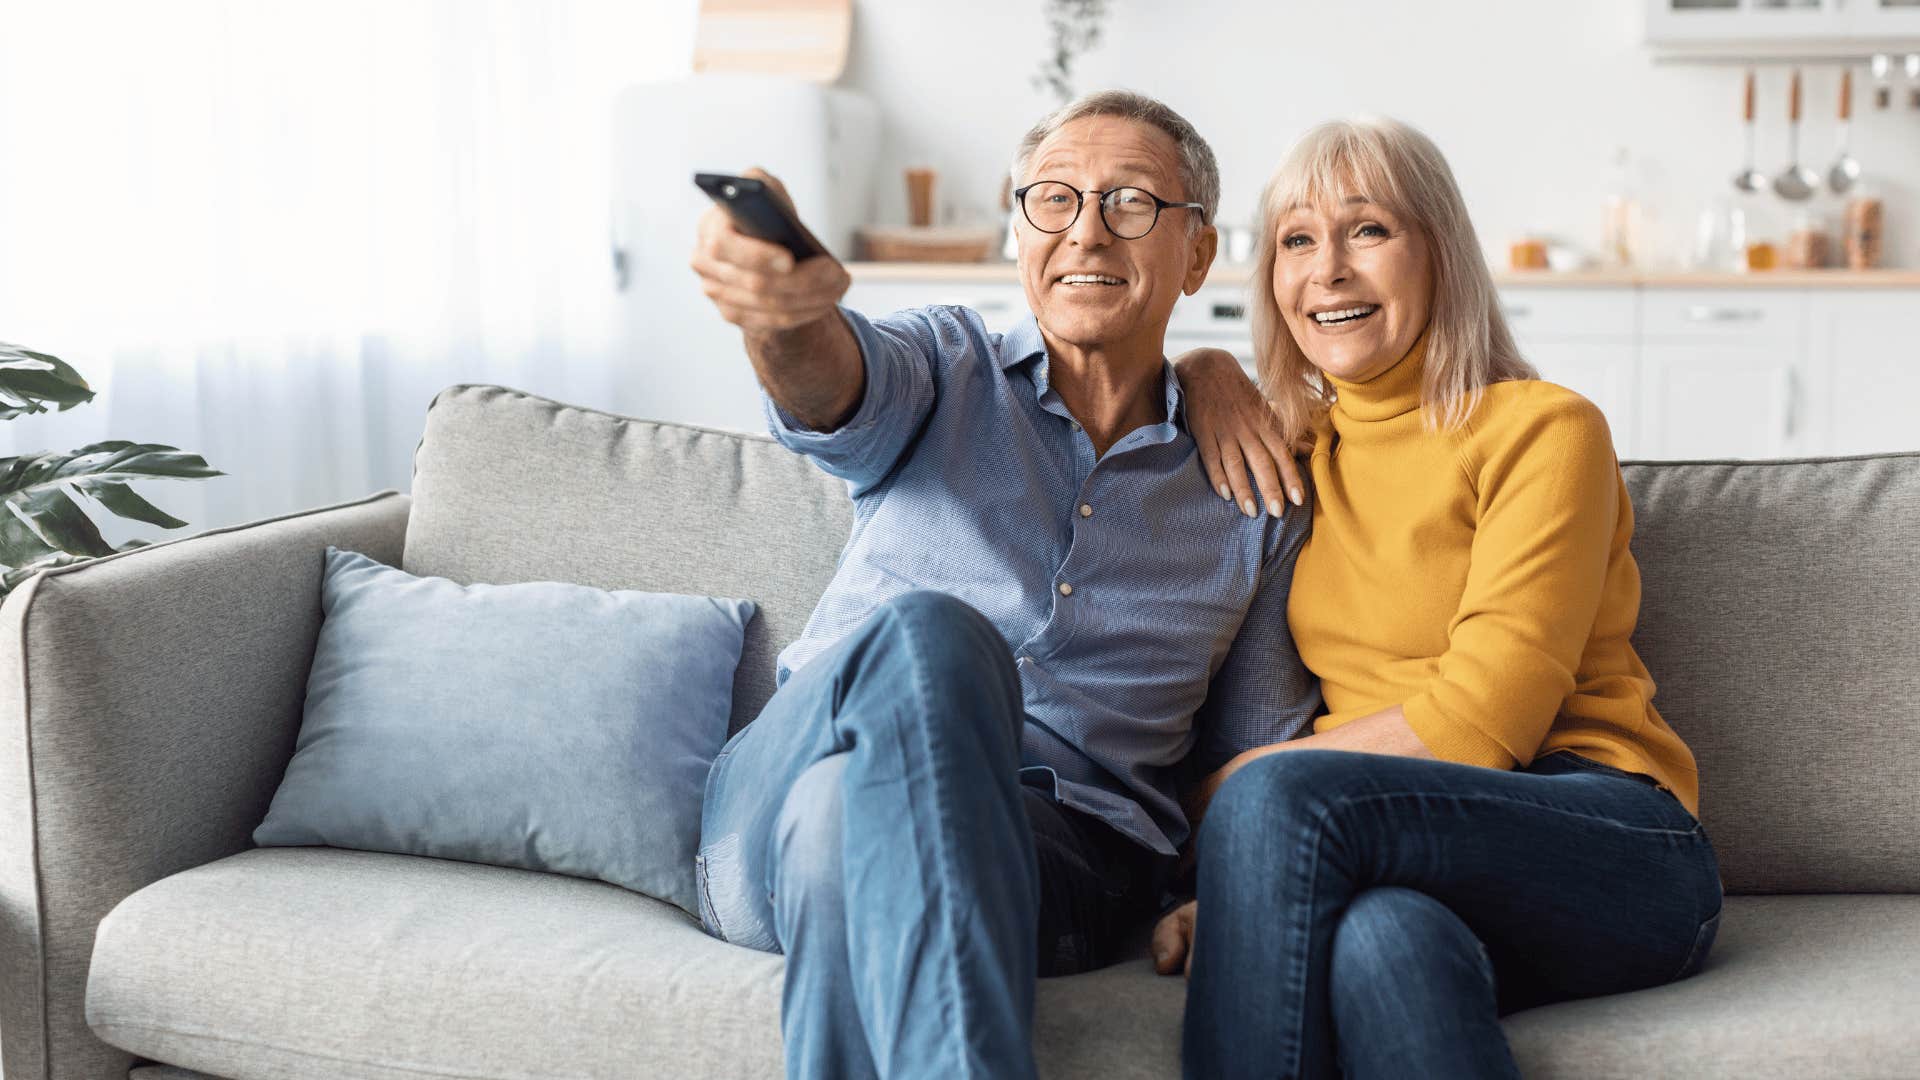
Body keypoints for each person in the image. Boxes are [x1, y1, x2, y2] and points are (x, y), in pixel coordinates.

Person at [686, 90, 1319, 1080]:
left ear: (1198, 255)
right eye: (1053, 200)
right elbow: (831, 382)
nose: (1087, 233)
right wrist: (788, 319)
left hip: (1054, 860)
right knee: (932, 639)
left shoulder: (1258, 495)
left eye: (1132, 204)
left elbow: (1254, 757)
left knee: (843, 826)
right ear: (1019, 226)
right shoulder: (948, 365)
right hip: (766, 805)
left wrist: (1237, 893)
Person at [1149, 117, 1724, 1080]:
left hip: (1610, 837)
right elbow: (1145, 393)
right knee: (1384, 946)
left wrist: (1247, 801)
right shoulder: (1295, 455)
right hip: (1400, 859)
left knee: (1273, 794)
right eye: (1297, 240)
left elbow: (1484, 722)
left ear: (1441, 256)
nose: (1326, 269)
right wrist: (1204, 369)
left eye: (1367, 230)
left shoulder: (1542, 431)